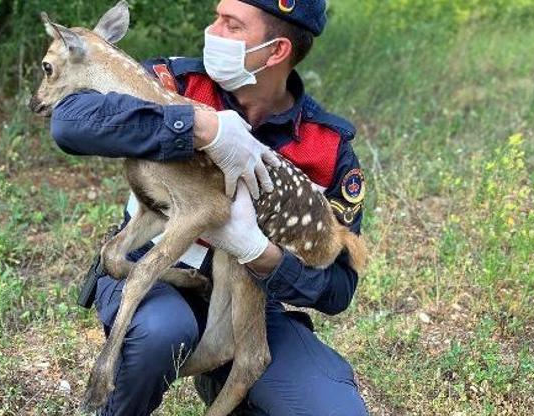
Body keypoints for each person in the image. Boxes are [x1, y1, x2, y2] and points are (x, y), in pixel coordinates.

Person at [50, 0, 369, 414]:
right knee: (161, 333)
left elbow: (338, 290)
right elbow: (69, 121)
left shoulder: (326, 146)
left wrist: (262, 255)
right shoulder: (173, 82)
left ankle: (223, 380)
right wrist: (201, 126)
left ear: (276, 52)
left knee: (331, 409)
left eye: (232, 25)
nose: (212, 30)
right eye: (217, 15)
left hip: (247, 298)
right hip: (153, 269)